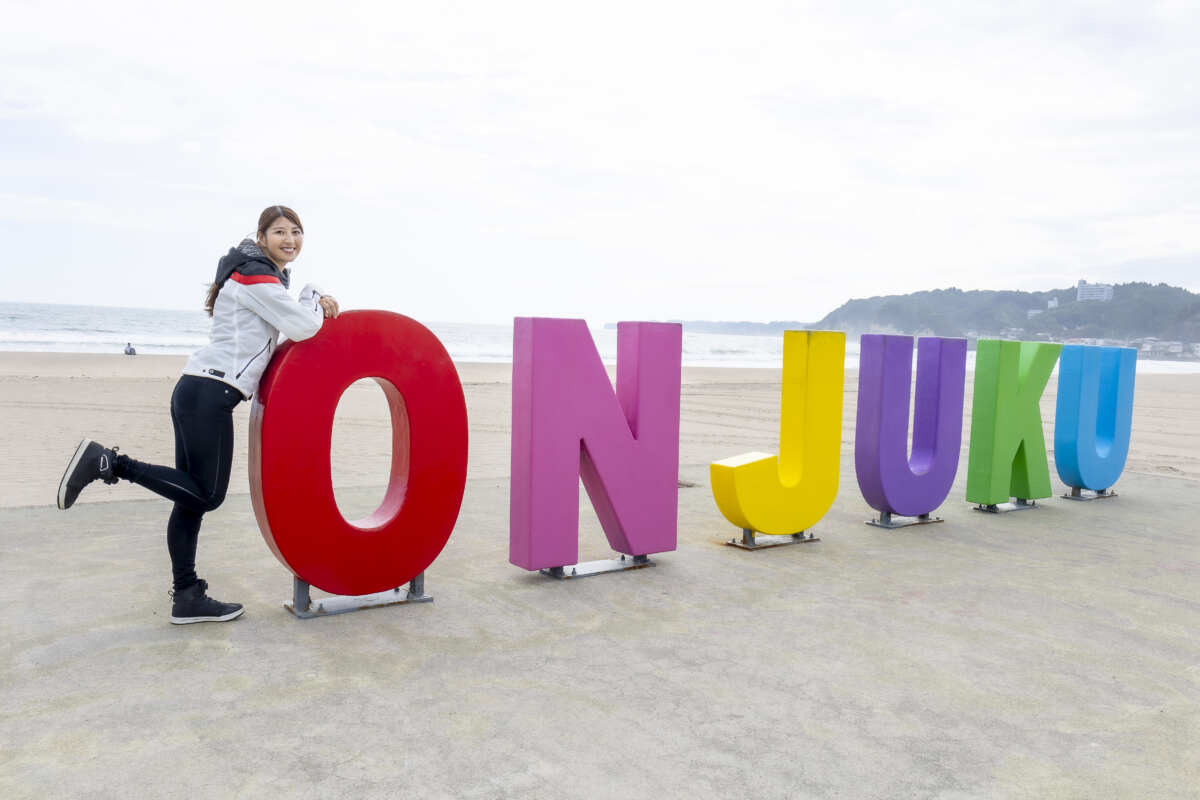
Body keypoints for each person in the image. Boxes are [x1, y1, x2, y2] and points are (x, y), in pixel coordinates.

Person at [57, 205, 339, 624]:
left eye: (297, 232)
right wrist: (317, 296)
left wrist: (309, 290)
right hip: (210, 393)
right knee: (207, 494)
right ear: (260, 237)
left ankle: (186, 597)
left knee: (189, 499)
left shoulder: (258, 273)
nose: (290, 240)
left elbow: (291, 317)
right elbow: (304, 326)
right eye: (279, 231)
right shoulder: (255, 275)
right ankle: (110, 463)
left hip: (196, 390)